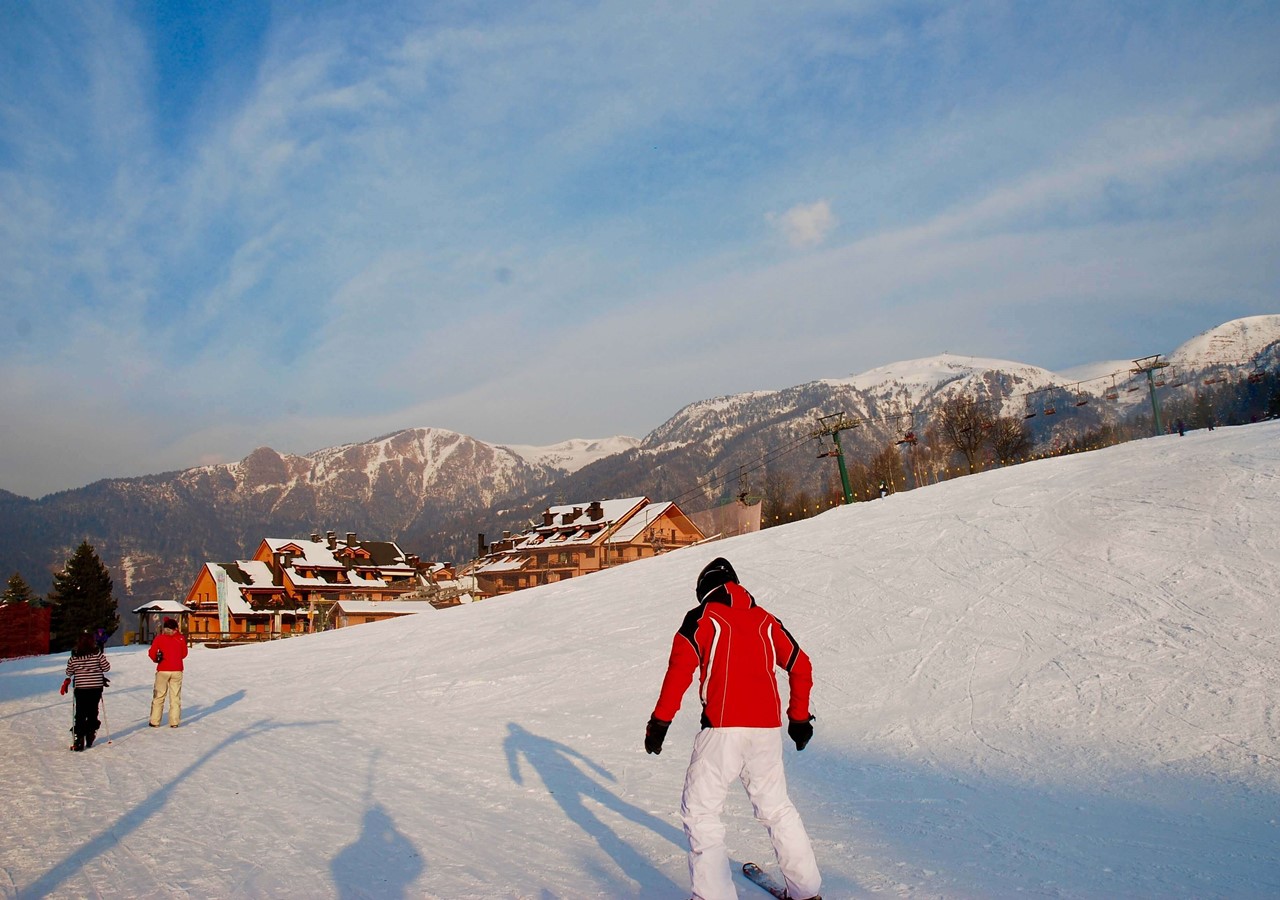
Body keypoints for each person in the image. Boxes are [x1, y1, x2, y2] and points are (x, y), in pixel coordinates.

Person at [646, 557, 821, 900]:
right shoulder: (767, 621)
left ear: (704, 590)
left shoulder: (702, 617)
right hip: (766, 733)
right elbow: (801, 665)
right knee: (777, 809)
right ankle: (807, 890)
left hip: (721, 731)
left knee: (701, 812)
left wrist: (660, 722)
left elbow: (679, 671)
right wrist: (798, 719)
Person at [63, 631, 111, 751]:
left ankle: (79, 738)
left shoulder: (74, 657)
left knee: (80, 712)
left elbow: (69, 672)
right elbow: (106, 667)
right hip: (95, 687)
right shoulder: (97, 654)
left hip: (81, 688)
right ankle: (91, 731)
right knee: (93, 710)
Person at [148, 617, 188, 727]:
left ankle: (155, 721)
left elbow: (152, 652)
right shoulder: (180, 638)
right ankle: (174, 722)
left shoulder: (160, 638)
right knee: (175, 697)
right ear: (175, 628)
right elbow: (184, 654)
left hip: (163, 669)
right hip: (177, 670)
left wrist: (157, 659)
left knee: (159, 696)